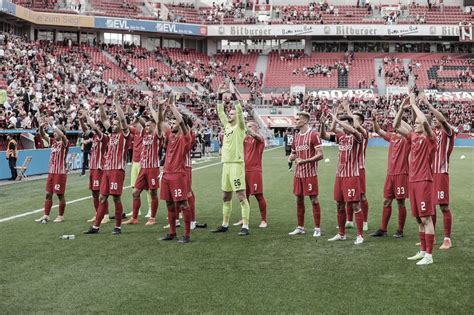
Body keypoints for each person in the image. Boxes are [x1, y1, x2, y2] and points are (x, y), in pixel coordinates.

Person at [394, 94, 436, 265]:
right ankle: (423, 250)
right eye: (415, 123)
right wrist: (401, 108)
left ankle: (429, 255)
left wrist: (413, 104)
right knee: (419, 219)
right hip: (412, 181)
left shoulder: (429, 139)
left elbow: (425, 122)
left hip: (424, 181)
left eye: (417, 123)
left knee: (426, 218)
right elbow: (396, 125)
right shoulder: (413, 137)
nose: (415, 125)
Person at [84, 95, 131, 235]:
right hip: (106, 170)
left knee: (116, 197)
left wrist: (116, 104)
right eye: (114, 124)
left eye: (116, 124)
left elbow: (122, 120)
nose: (114, 125)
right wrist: (100, 105)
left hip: (117, 170)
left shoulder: (125, 135)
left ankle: (117, 226)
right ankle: (96, 227)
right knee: (102, 197)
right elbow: (103, 120)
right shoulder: (110, 136)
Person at [211, 83, 251, 236]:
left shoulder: (240, 127)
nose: (229, 115)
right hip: (226, 164)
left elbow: (239, 112)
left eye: (232, 114)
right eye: (229, 113)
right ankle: (225, 224)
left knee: (241, 195)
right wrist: (220, 95)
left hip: (236, 164)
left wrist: (233, 96)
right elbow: (220, 110)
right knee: (225, 195)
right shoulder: (227, 125)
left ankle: (245, 226)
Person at [321, 112, 365, 245]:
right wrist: (323, 124)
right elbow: (323, 136)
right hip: (339, 176)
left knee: (355, 205)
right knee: (339, 205)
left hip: (352, 175)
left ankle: (360, 235)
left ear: (350, 124)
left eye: (345, 124)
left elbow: (352, 130)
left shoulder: (358, 136)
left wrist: (337, 121)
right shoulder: (341, 138)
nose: (343, 127)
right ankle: (341, 234)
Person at [158, 95, 193, 243]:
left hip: (178, 175)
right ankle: (172, 233)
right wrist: (161, 108)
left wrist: (172, 106)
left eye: (174, 122)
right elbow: (160, 123)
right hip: (166, 175)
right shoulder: (170, 136)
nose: (171, 124)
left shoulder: (186, 137)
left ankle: (186, 235)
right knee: (169, 204)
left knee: (183, 204)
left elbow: (181, 122)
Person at [421, 95, 455, 250]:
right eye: (433, 118)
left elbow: (441, 118)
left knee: (443, 207)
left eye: (436, 118)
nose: (434, 120)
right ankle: (432, 236)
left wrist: (428, 104)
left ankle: (447, 239)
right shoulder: (433, 133)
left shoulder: (448, 131)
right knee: (431, 206)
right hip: (429, 173)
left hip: (441, 173)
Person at [370, 110, 410, 238]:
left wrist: (399, 116)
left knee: (400, 202)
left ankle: (400, 230)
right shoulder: (392, 137)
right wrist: (374, 120)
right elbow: (378, 131)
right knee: (386, 201)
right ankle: (383, 230)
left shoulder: (408, 139)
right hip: (390, 175)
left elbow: (409, 128)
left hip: (401, 174)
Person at [124, 98, 163, 226]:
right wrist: (135, 113)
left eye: (148, 126)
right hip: (143, 168)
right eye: (145, 126)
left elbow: (159, 121)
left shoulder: (157, 135)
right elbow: (139, 121)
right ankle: (134, 218)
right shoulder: (144, 135)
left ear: (154, 126)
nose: (146, 127)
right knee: (135, 192)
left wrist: (152, 107)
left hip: (153, 168)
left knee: (153, 193)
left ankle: (152, 217)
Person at [287, 112, 324, 237]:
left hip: (310, 173)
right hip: (298, 174)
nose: (295, 121)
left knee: (314, 200)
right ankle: (300, 227)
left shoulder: (313, 135)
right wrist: (290, 159)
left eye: (298, 119)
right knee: (298, 199)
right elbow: (294, 153)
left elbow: (321, 155)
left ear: (305, 121)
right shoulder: (296, 136)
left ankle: (317, 228)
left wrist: (305, 161)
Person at [234, 121, 268, 228]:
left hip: (255, 171)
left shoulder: (259, 139)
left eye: (250, 126)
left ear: (256, 128)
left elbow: (257, 137)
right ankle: (244, 219)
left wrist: (247, 130)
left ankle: (263, 220)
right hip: (243, 170)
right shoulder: (245, 139)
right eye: (247, 126)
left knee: (259, 195)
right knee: (244, 196)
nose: (247, 129)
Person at [79, 108, 110, 224]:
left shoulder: (104, 137)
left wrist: (87, 116)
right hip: (92, 168)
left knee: (101, 193)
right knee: (93, 192)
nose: (95, 128)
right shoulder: (95, 138)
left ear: (101, 128)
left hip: (99, 168)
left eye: (97, 127)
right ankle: (98, 213)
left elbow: (94, 129)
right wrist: (81, 121)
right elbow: (86, 131)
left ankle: (105, 215)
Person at [35, 122, 69, 223]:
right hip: (51, 172)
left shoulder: (65, 142)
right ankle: (46, 215)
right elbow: (42, 135)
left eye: (56, 132)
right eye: (53, 132)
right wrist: (41, 127)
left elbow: (62, 136)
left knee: (59, 195)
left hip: (60, 172)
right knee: (48, 194)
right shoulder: (53, 142)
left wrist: (53, 124)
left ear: (61, 132)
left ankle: (61, 216)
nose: (54, 133)